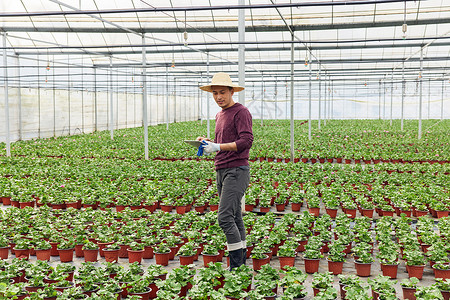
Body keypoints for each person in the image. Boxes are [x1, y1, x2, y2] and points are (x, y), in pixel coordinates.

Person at [197, 72, 253, 270]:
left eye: (222, 92)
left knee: (224, 217)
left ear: (231, 92)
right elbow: (223, 140)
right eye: (215, 93)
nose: (218, 97)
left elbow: (246, 141)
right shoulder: (220, 115)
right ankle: (241, 264)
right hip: (221, 168)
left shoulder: (241, 112)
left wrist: (218, 147)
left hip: (237, 170)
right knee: (235, 216)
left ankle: (236, 266)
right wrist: (209, 143)